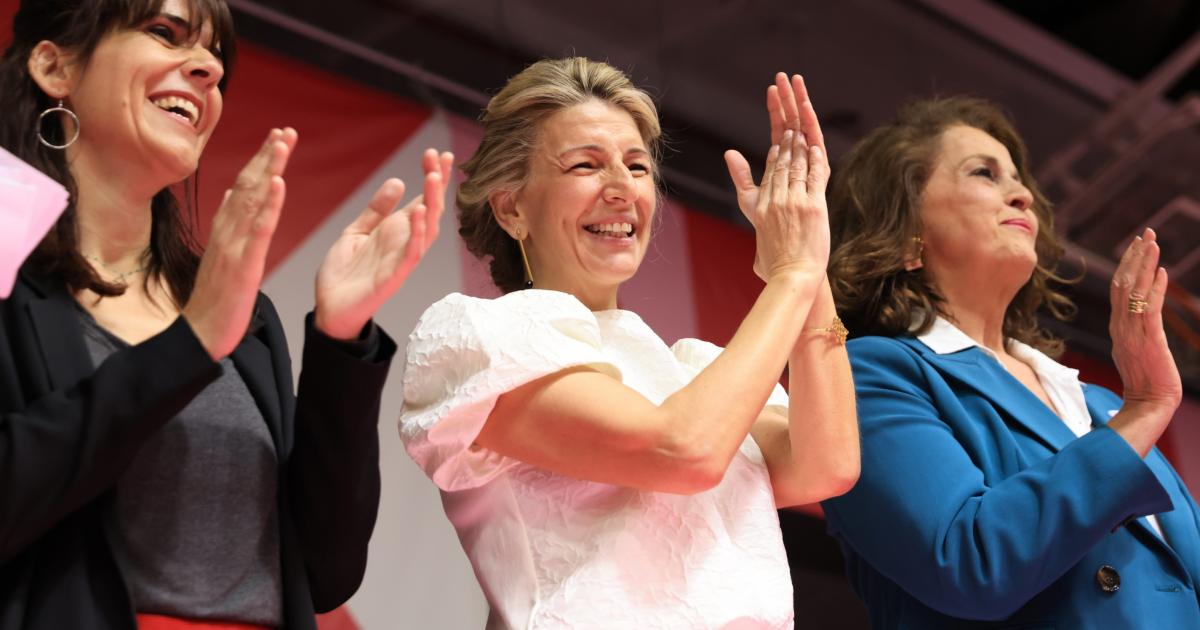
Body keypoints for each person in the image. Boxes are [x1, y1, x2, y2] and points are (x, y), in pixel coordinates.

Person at [0, 1, 453, 628]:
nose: (209, 69)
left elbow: (326, 572)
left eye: (217, 55)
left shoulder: (238, 310)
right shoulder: (10, 266)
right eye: (165, 33)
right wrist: (187, 347)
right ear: (55, 67)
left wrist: (339, 341)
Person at [398, 57, 860, 629]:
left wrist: (812, 269)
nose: (622, 188)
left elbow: (824, 467)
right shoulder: (485, 339)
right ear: (512, 207)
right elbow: (683, 450)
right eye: (585, 165)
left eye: (637, 166)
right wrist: (790, 277)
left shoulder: (694, 371)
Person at [819, 96, 1196, 628]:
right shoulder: (869, 372)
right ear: (906, 233)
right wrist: (1146, 410)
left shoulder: (1102, 405)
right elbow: (967, 562)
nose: (1023, 195)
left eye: (1019, 179)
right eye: (985, 173)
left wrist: (1137, 411)